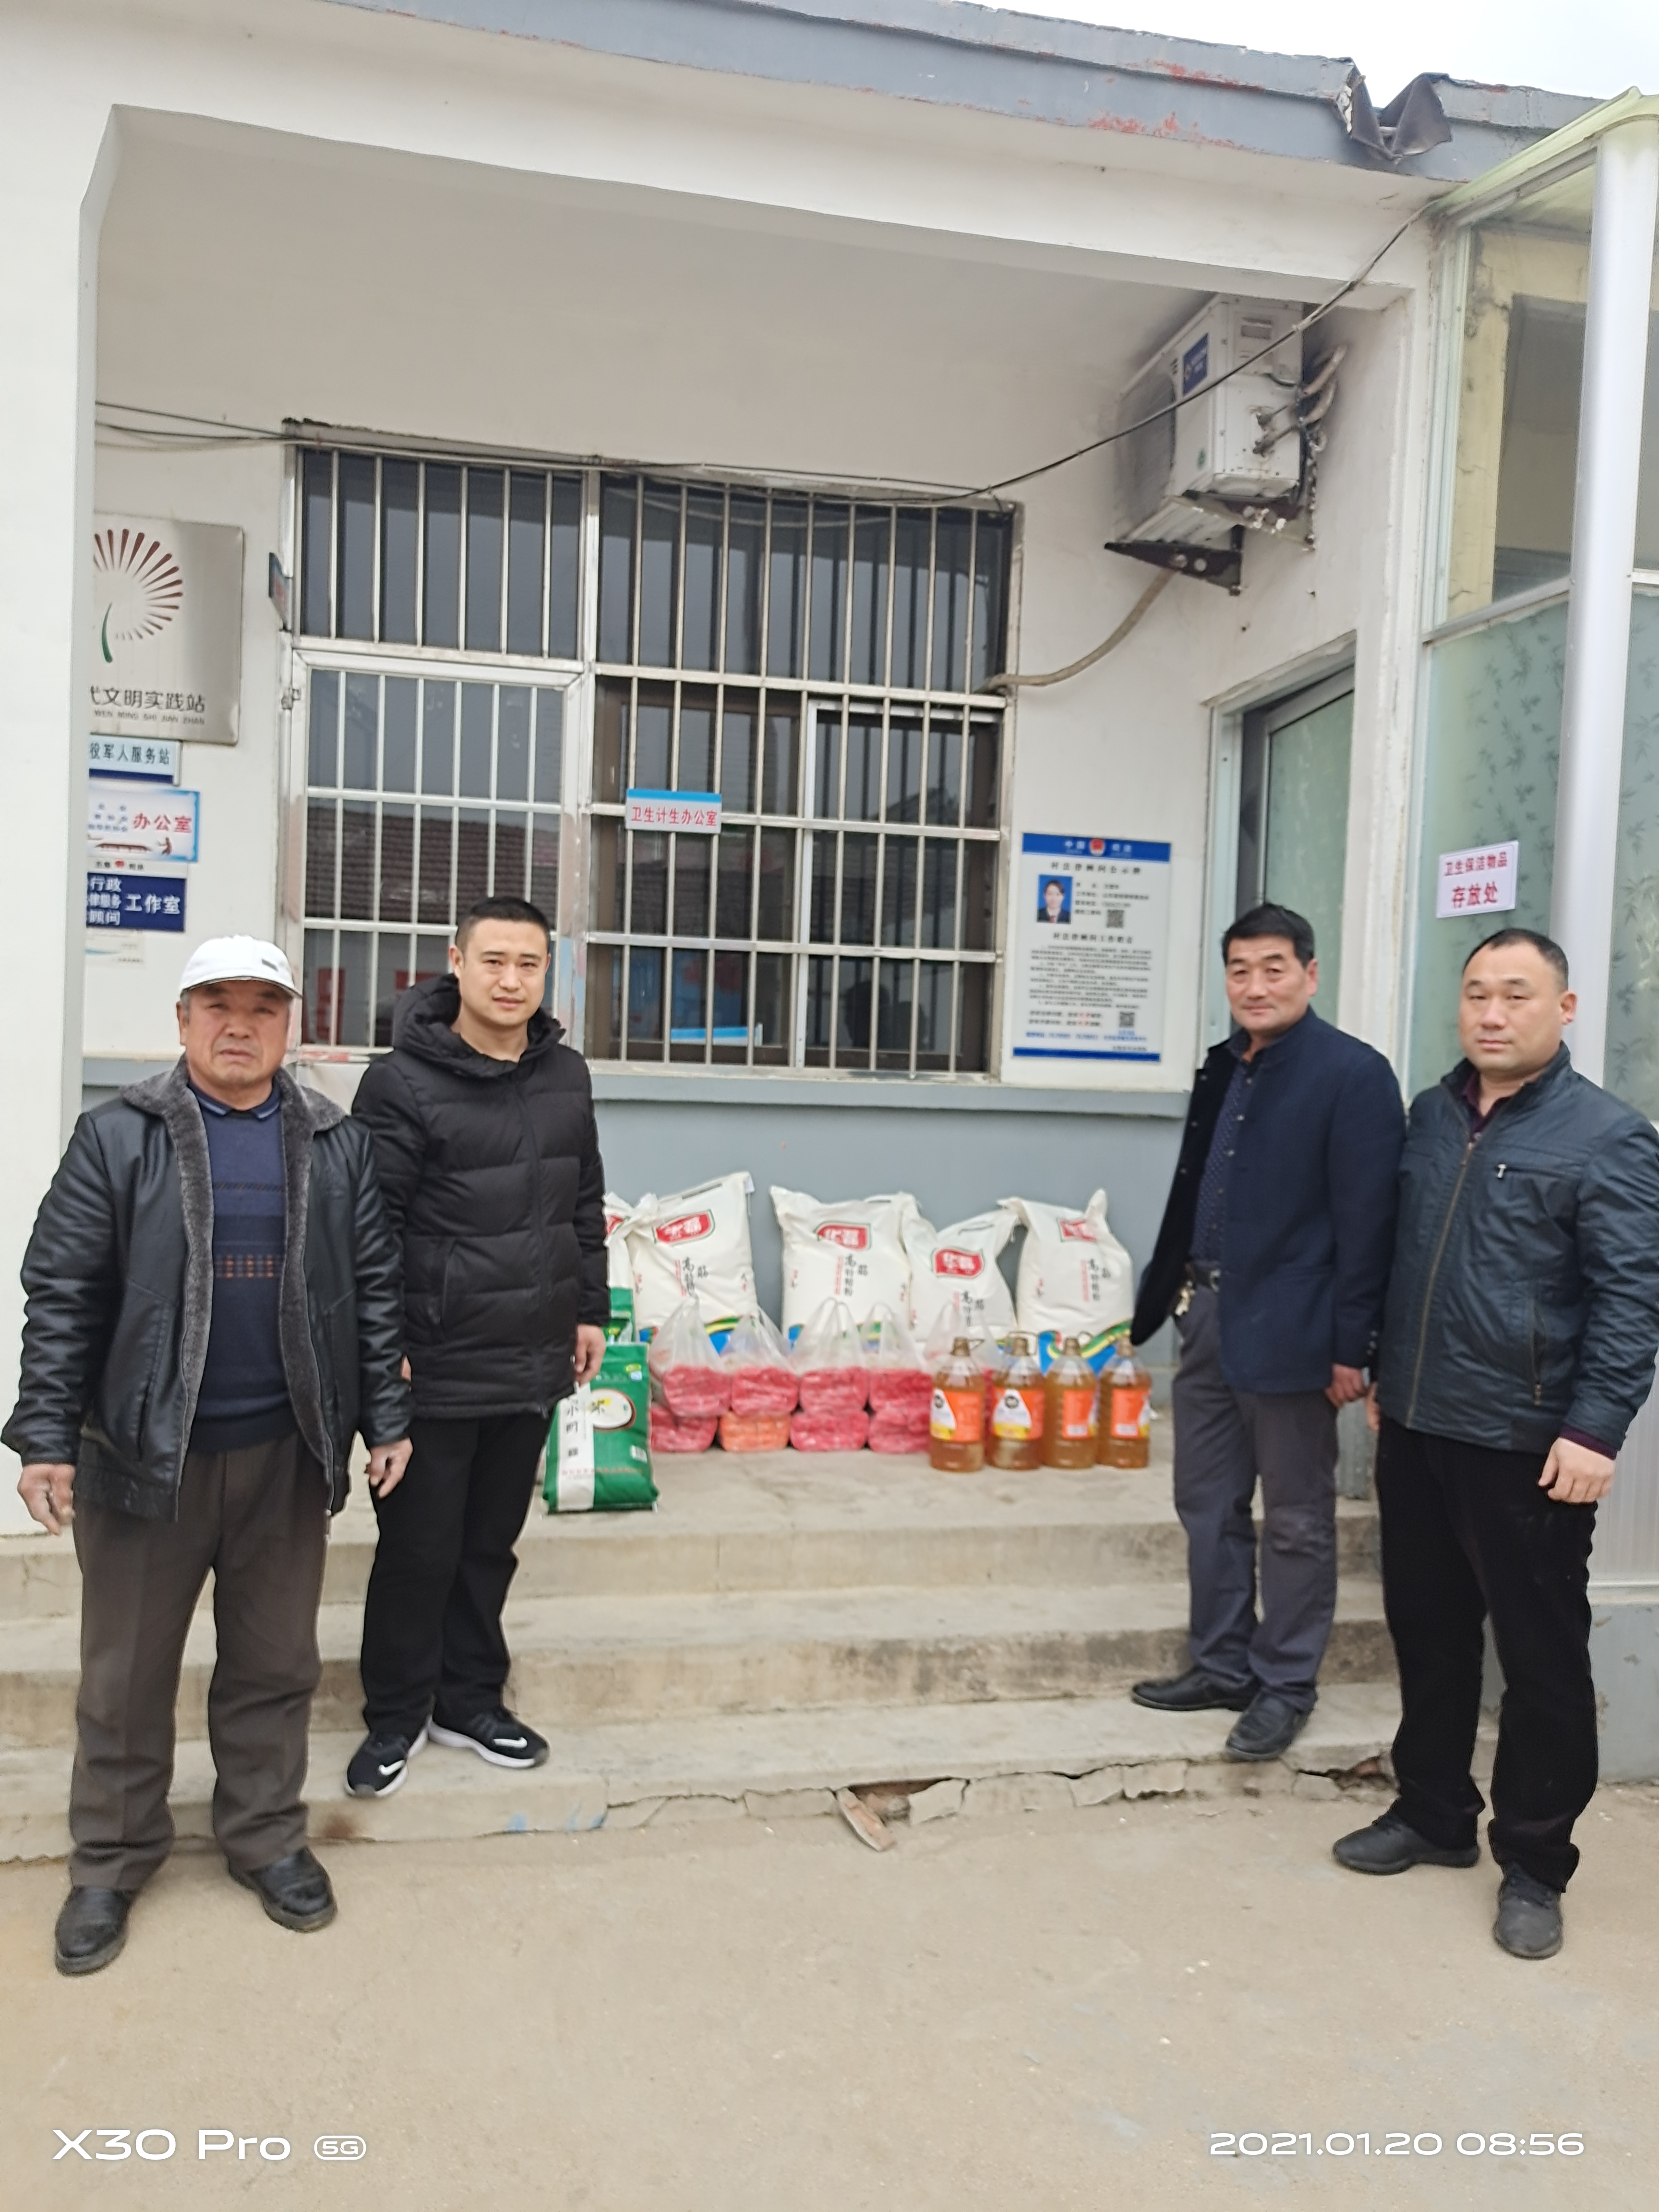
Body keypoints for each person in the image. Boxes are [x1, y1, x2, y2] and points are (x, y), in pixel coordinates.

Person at [4, 938, 411, 1976]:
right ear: (181, 1021)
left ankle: (266, 1839)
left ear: (290, 1024)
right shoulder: (119, 1137)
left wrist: (388, 1418)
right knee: (125, 1676)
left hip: (286, 1454)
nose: (240, 1025)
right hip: (146, 1460)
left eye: (262, 1006)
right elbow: (63, 1293)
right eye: (217, 1004)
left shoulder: (335, 1142)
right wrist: (45, 1436)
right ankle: (110, 1861)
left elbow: (372, 1289)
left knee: (274, 1666)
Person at [1334, 928, 1659, 1960]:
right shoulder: (1431, 1116)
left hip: (1528, 1443)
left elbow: (1631, 1300)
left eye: (1517, 994)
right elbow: (1406, 1258)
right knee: (1429, 1634)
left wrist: (1595, 1429)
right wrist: (1388, 1374)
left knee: (1540, 1659)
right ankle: (1434, 1813)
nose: (1491, 1012)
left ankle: (1535, 1861)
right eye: (1477, 992)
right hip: (1419, 1423)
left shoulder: (1609, 1137)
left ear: (1564, 1010)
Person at [346, 896, 609, 1798]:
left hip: (531, 1354)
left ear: (547, 972)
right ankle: (395, 1713)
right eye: (493, 961)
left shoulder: (566, 1074)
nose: (510, 980)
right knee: (419, 1550)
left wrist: (588, 1310)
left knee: (490, 1546)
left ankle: (468, 1701)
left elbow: (583, 1202)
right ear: (456, 963)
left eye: (528, 964)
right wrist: (384, 1349)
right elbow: (370, 1228)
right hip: (436, 1360)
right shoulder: (401, 1082)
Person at [1127, 903, 1404, 1759]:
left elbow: (1370, 1222)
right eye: (1240, 970)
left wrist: (1354, 1347)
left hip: (1296, 1330)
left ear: (1311, 975)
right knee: (1206, 1502)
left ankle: (1285, 1683)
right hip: (1207, 1312)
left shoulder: (1352, 1074)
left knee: (1295, 1518)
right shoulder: (1224, 1066)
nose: (1256, 986)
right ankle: (1221, 1663)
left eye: (1274, 968)